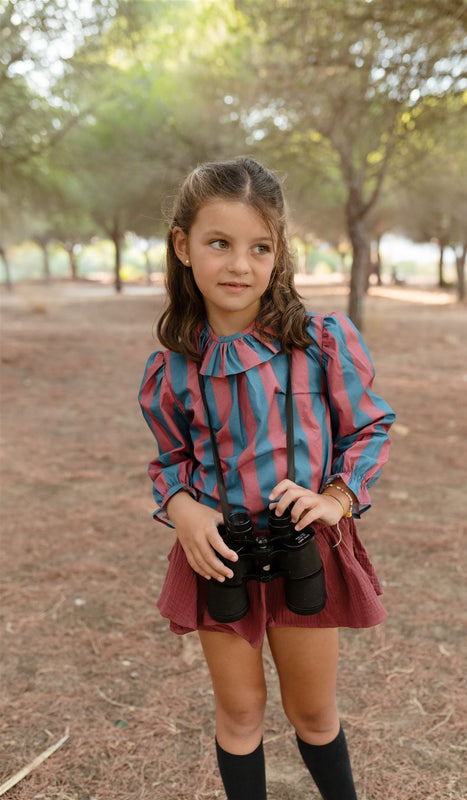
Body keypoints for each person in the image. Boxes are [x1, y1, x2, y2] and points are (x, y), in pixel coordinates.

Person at [139, 156, 395, 800]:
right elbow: (169, 459)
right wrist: (182, 507)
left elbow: (369, 428)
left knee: (312, 712)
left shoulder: (322, 343)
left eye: (260, 247)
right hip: (219, 556)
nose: (239, 265)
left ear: (278, 254)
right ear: (183, 247)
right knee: (241, 712)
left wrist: (335, 498)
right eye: (218, 244)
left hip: (305, 548)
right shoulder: (172, 370)